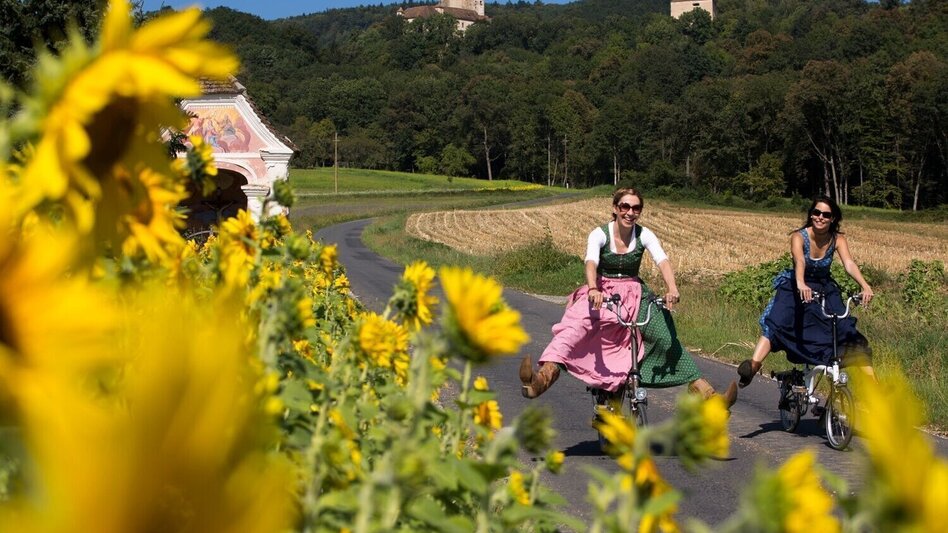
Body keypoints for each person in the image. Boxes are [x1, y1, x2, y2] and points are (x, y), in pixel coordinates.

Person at [519, 187, 738, 408]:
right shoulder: (599, 233)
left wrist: (672, 288)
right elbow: (591, 262)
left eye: (636, 208)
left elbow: (662, 260)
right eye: (625, 206)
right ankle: (541, 380)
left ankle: (707, 395)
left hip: (634, 293)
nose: (630, 212)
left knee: (664, 335)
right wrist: (593, 288)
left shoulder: (644, 234)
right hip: (602, 292)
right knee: (574, 330)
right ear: (615, 208)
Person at [737, 196, 874, 387]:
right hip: (796, 285)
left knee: (844, 327)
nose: (820, 217)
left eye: (826, 214)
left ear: (833, 218)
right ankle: (753, 366)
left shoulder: (838, 239)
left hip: (824, 287)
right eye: (816, 212)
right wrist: (801, 283)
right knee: (777, 321)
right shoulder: (799, 236)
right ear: (811, 214)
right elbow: (799, 260)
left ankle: (875, 388)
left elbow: (849, 264)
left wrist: (865, 285)